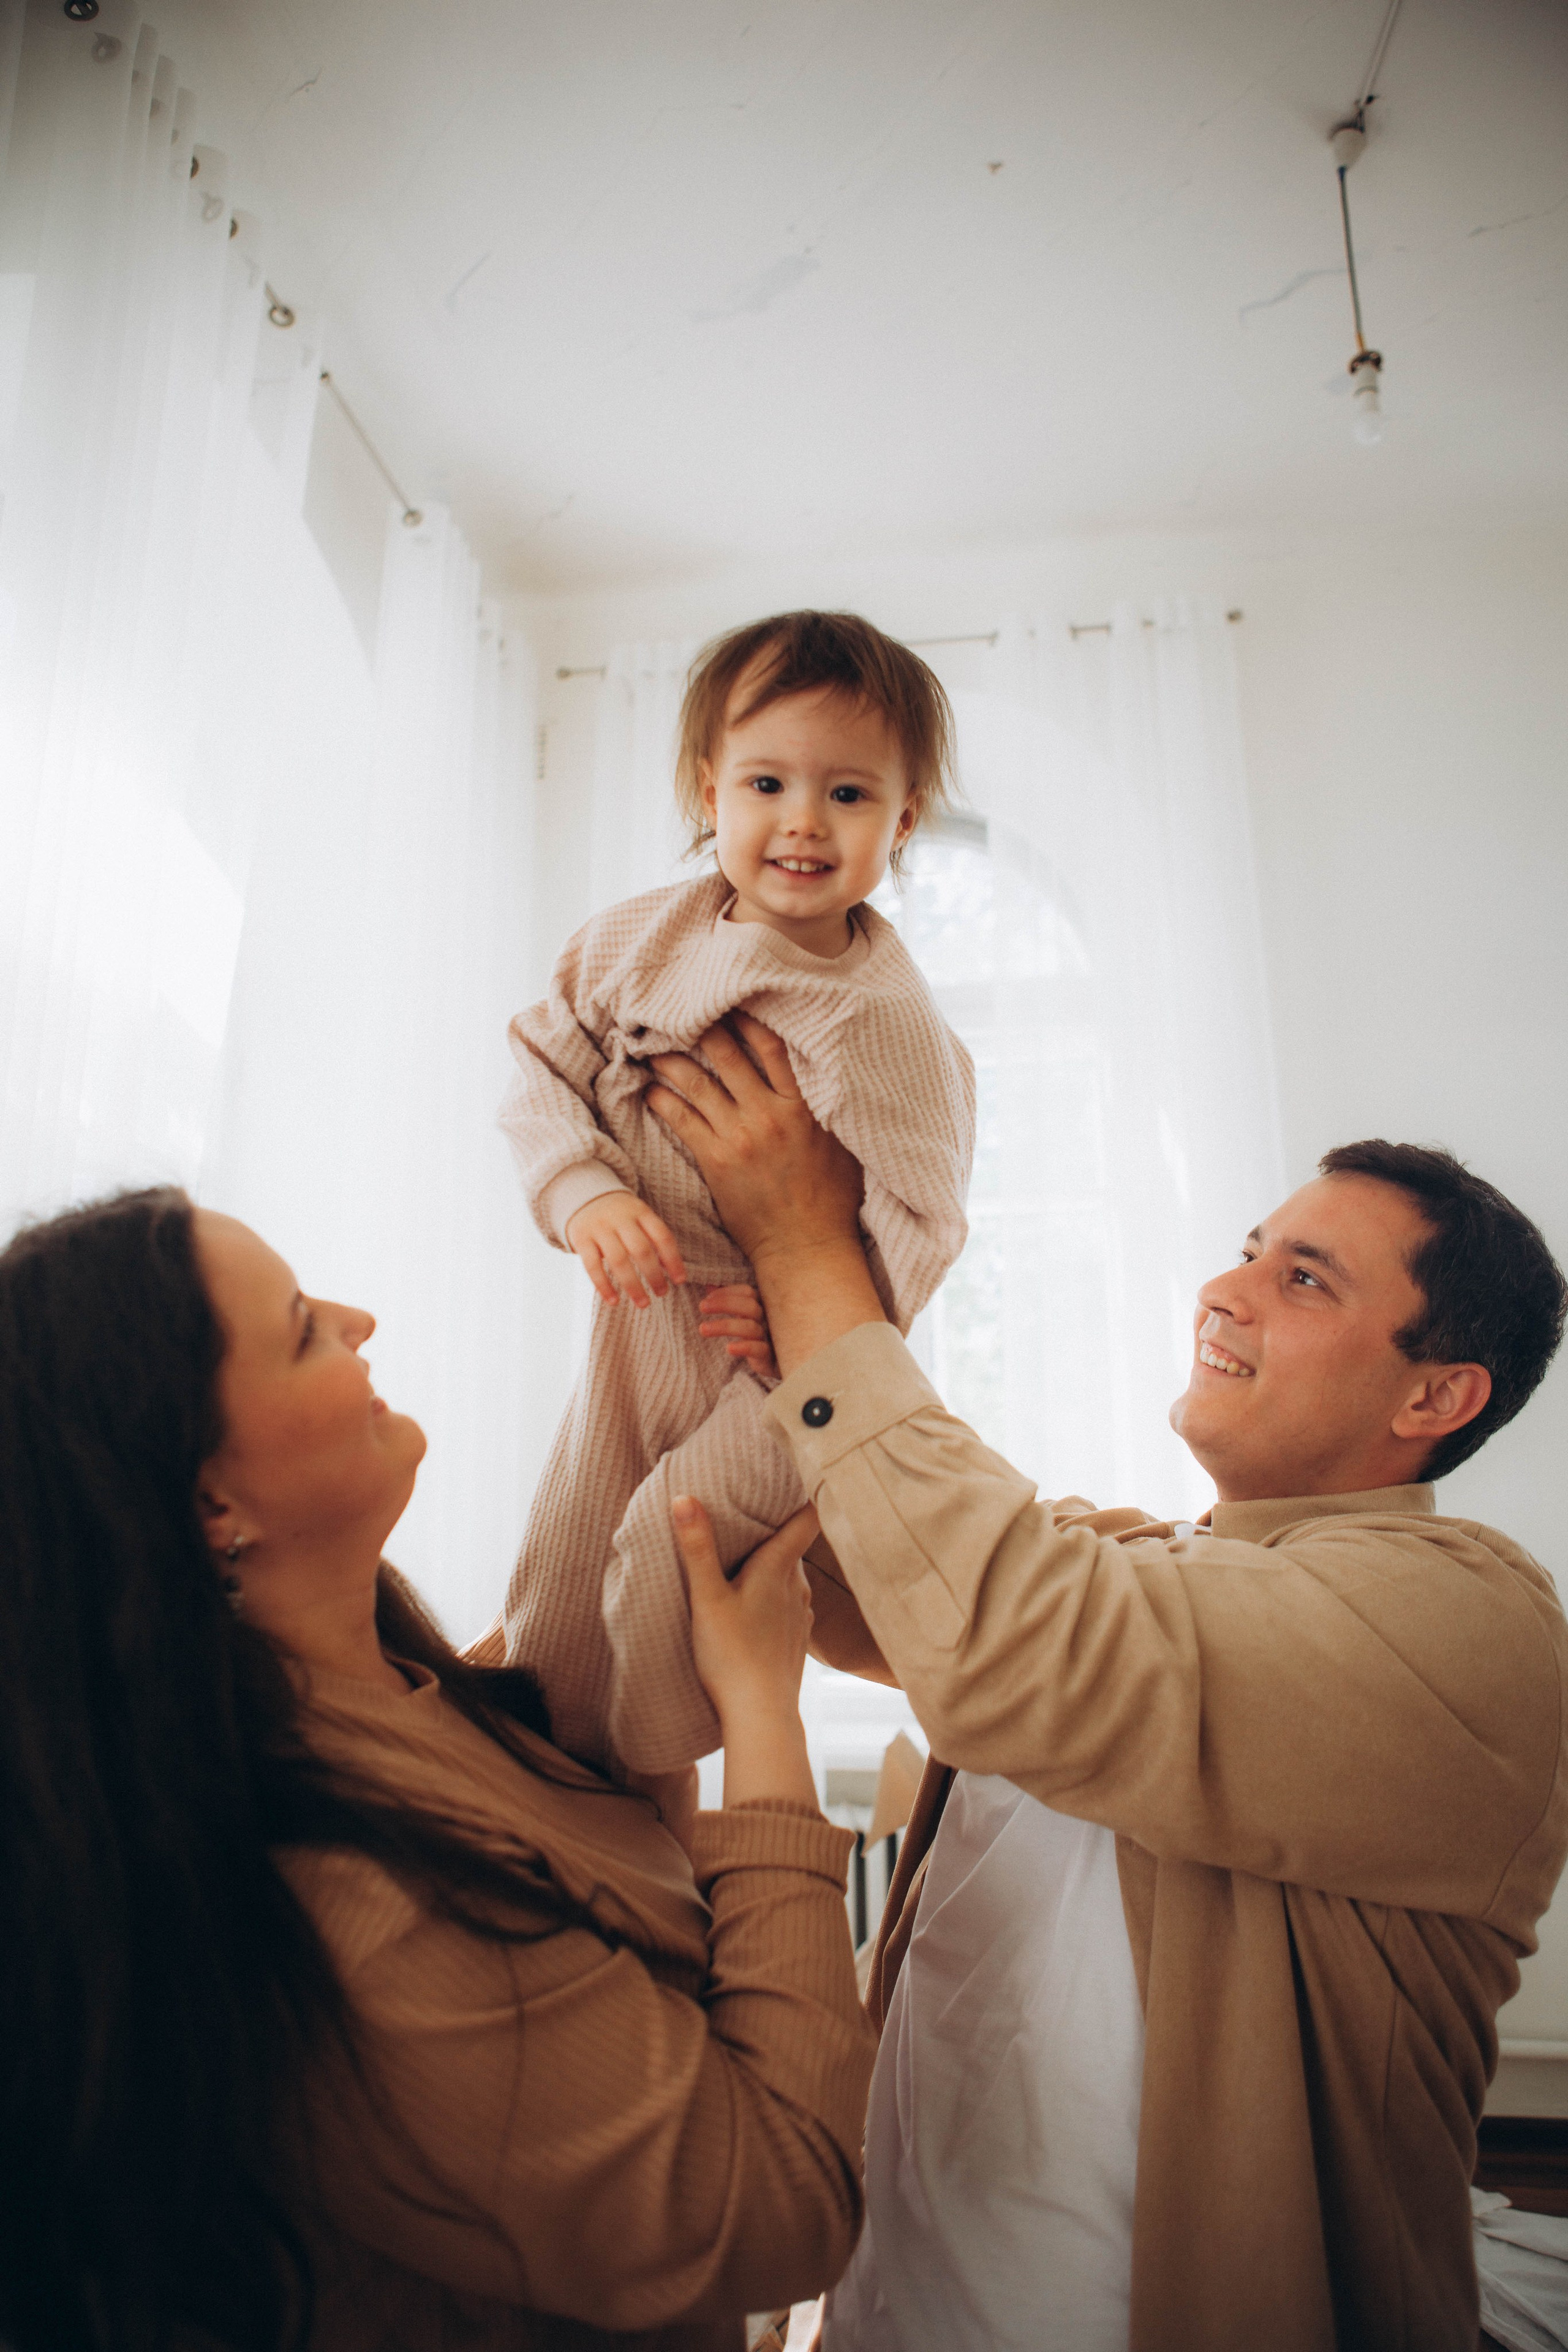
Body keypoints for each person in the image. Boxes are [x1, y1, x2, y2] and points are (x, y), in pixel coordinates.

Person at [646, 1016, 1568, 2352]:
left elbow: (1004, 1629)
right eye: (1249, 1249)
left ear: (1433, 1398)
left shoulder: (1470, 1621)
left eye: (1302, 1279)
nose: (1224, 1290)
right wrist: (753, 1355)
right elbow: (879, 1580)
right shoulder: (1147, 1566)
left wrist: (803, 1247)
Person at [0, 1185, 876, 2352]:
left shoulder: (418, 1696)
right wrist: (766, 1718)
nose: (359, 1321)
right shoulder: (362, 1914)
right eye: (306, 1325)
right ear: (214, 1505)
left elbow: (608, 1848)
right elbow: (785, 2204)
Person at [498, 611, 974, 1776]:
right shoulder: (630, 944)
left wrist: (839, 1320)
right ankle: (547, 1773)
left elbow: (926, 1209)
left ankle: (648, 1780)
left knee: (680, 1551)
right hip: (636, 1326)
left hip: (770, 1366)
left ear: (902, 821)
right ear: (709, 790)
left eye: (850, 796)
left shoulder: (886, 1019)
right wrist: (582, 1193)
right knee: (562, 1564)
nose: (804, 820)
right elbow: (540, 1067)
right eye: (768, 781)